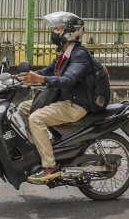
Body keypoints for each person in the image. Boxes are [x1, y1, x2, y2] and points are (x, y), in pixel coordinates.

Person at [15, 11, 94, 183]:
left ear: (69, 32)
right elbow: (46, 72)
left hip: (76, 104)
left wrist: (40, 79)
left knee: (36, 119)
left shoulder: (80, 55)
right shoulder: (64, 54)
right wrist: (26, 76)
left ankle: (50, 166)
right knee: (23, 108)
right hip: (63, 100)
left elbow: (68, 79)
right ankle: (41, 148)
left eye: (57, 29)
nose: (54, 33)